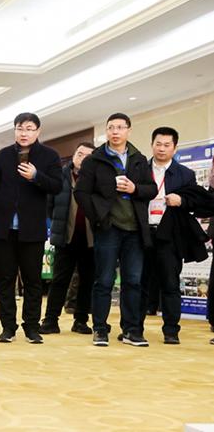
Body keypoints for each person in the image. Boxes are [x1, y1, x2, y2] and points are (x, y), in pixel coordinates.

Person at [74, 113, 157, 347]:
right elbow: (81, 192)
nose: (115, 132)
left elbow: (151, 189)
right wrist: (98, 218)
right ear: (107, 131)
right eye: (111, 127)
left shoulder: (139, 159)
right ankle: (100, 329)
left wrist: (134, 188)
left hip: (135, 230)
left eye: (120, 127)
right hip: (108, 229)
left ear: (129, 131)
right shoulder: (94, 160)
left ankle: (131, 330)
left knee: (133, 281)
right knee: (104, 280)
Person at [0, 113, 62, 344]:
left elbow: (57, 186)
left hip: (32, 227)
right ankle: (8, 327)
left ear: (38, 131)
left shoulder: (49, 155)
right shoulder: (3, 154)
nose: (23, 133)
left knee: (32, 279)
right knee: (5, 279)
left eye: (29, 129)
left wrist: (36, 176)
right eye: (19, 128)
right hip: (3, 226)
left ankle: (31, 327)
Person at [138, 127, 197, 344]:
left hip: (169, 235)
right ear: (152, 145)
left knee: (170, 284)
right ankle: (134, 328)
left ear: (175, 148)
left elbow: (195, 201)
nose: (161, 149)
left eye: (166, 145)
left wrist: (181, 201)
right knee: (138, 283)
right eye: (158, 144)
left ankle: (171, 331)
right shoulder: (140, 170)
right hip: (142, 234)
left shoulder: (185, 174)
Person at [40, 142, 96, 336]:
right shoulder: (60, 176)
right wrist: (59, 224)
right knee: (59, 280)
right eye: (80, 154)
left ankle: (81, 320)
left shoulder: (98, 178)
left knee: (87, 281)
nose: (83, 158)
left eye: (88, 156)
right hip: (65, 236)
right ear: (73, 156)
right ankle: (50, 320)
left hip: (91, 238)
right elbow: (49, 206)